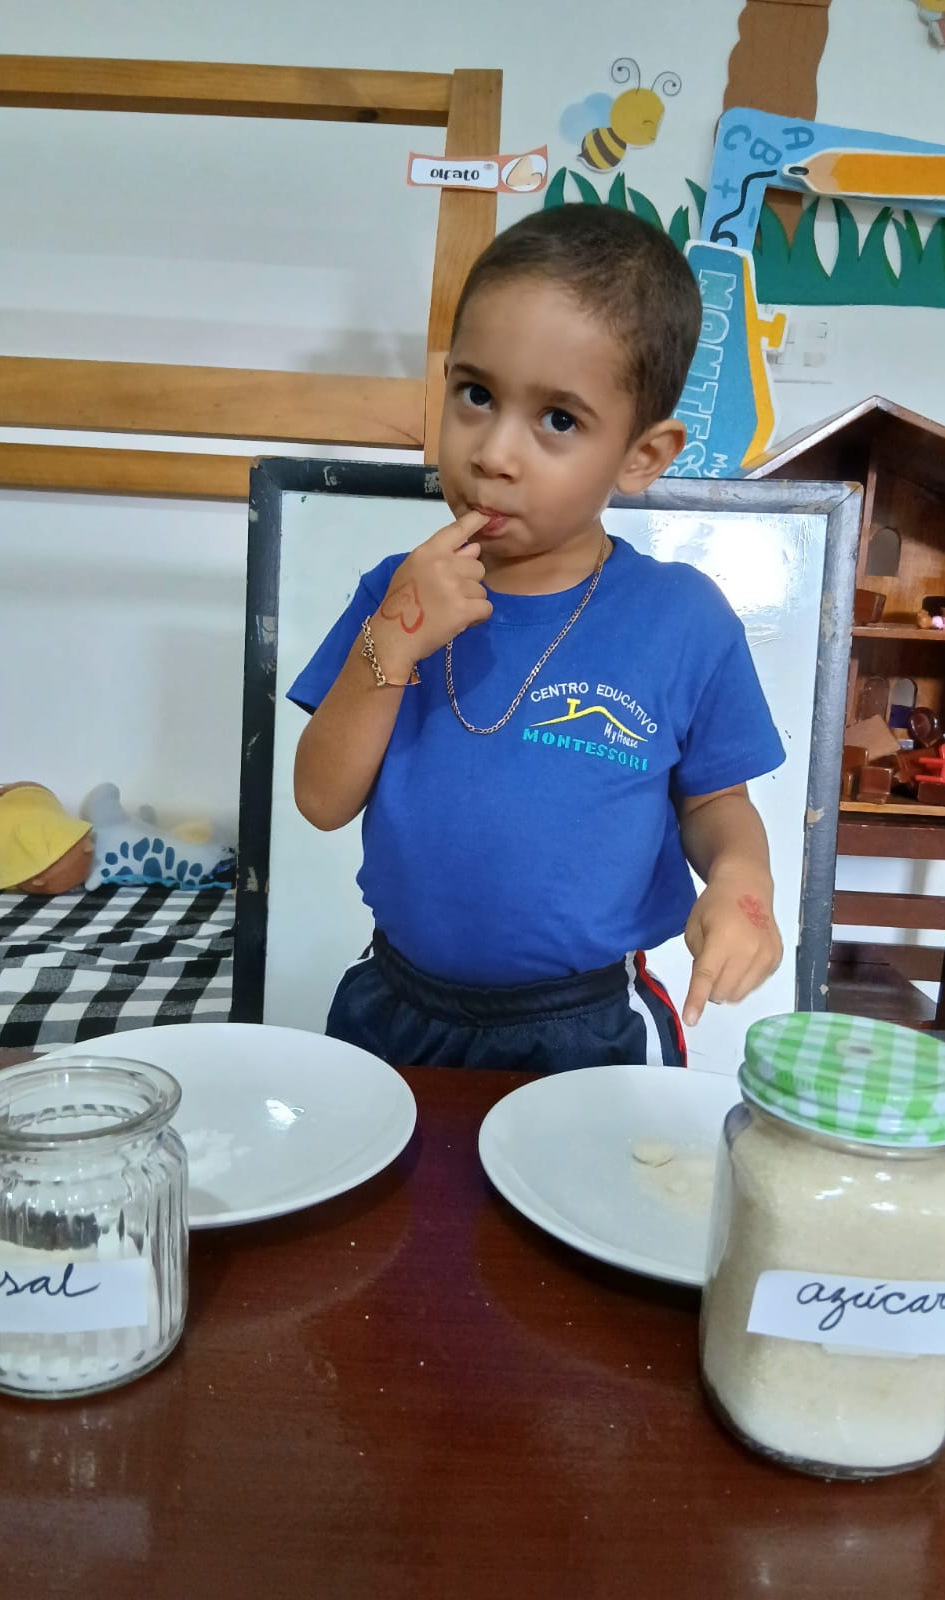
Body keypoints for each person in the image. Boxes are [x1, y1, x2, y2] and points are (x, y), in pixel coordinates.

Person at [288, 204, 784, 1072]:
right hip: (395, 1006)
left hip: (587, 1023)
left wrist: (744, 882)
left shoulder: (683, 619)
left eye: (558, 420)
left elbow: (715, 805)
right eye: (476, 395)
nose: (494, 453)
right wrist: (394, 638)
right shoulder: (395, 591)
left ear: (641, 456)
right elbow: (321, 800)